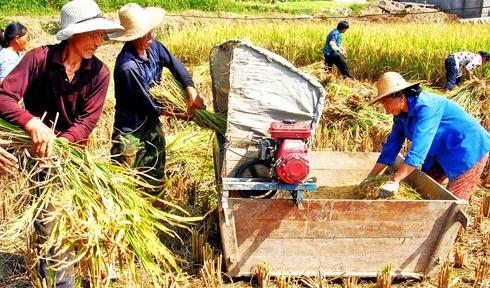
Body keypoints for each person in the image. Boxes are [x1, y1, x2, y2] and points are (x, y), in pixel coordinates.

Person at [0, 0, 123, 286]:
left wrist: (61, 144)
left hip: (72, 157)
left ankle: (86, 274)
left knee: (80, 218)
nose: (99, 40)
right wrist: (31, 123)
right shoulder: (38, 59)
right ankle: (61, 282)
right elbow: (3, 97)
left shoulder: (99, 73)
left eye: (101, 33)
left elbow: (87, 122)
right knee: (50, 220)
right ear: (72, 34)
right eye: (93, 33)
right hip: (39, 157)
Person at [108, 3, 205, 190]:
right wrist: (183, 115)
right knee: (124, 184)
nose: (150, 37)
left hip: (151, 125)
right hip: (130, 131)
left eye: (150, 31)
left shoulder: (153, 47)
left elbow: (175, 65)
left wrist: (191, 90)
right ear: (132, 38)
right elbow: (149, 105)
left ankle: (157, 208)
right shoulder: (127, 66)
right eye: (144, 34)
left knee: (156, 178)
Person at [367, 72, 490, 201]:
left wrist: (394, 180)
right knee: (421, 190)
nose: (385, 108)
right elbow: (391, 148)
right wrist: (370, 177)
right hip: (440, 152)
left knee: (452, 203)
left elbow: (419, 150)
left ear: (400, 96)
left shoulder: (427, 107)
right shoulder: (400, 116)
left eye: (386, 102)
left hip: (468, 148)